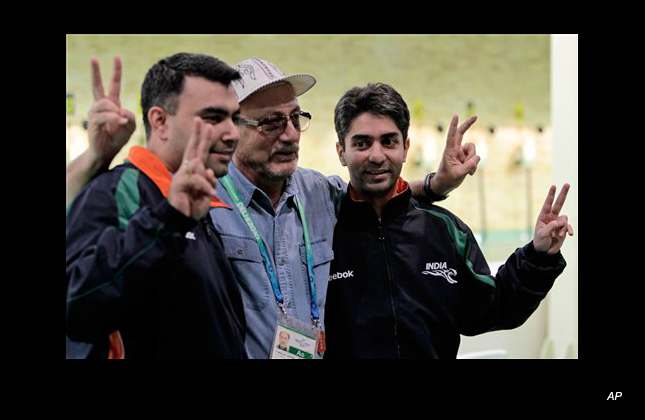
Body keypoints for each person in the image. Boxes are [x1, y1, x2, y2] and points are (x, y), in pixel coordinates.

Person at [66, 57, 479, 359]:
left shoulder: (318, 192)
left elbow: (372, 190)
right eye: (269, 123)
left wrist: (436, 184)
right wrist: (94, 159)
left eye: (295, 118)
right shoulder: (199, 194)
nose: (289, 135)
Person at [323, 82, 573, 358]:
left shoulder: (443, 229)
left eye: (389, 141)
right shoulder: (321, 231)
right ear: (340, 152)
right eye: (361, 143)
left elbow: (493, 307)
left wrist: (538, 256)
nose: (377, 155)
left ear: (405, 148)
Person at [66, 53, 247, 358]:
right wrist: (168, 220)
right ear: (160, 121)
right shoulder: (119, 192)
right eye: (213, 118)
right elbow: (76, 308)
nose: (232, 134)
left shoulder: (194, 202)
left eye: (234, 118)